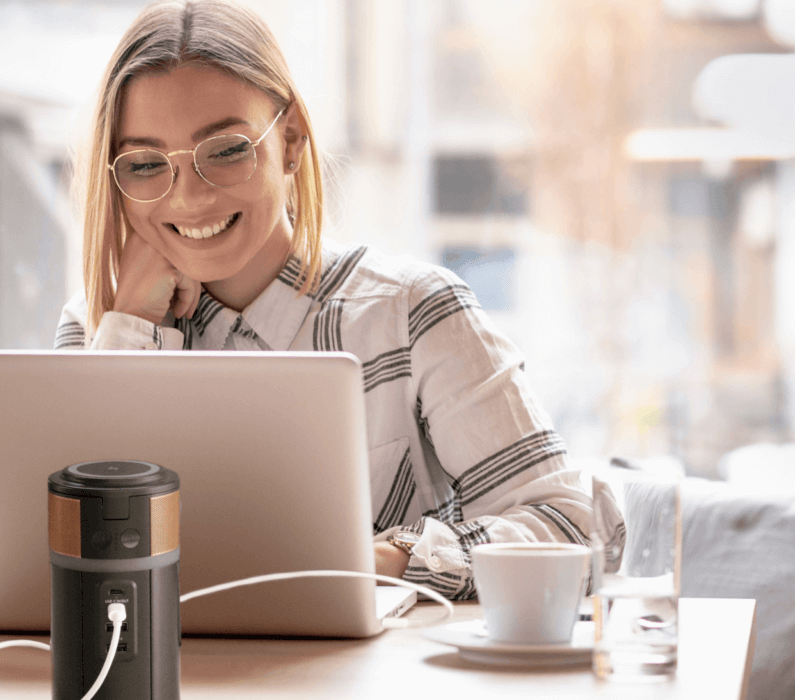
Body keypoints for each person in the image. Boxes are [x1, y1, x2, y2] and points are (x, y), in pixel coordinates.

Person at [55, 0, 605, 600]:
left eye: (227, 150)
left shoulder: (412, 313)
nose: (188, 199)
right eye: (145, 164)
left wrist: (378, 560)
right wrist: (130, 326)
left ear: (289, 142)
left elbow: (570, 527)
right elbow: (67, 562)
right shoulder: (97, 327)